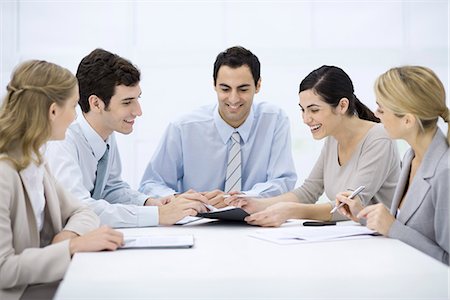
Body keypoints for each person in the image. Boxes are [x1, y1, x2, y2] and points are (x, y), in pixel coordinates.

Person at [0, 60, 124, 300]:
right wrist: (73, 246)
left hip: (40, 283)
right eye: (73, 105)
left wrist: (67, 237)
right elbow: (4, 270)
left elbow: (84, 212)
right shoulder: (5, 174)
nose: (75, 116)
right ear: (53, 111)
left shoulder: (34, 161)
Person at [46, 49, 207, 228]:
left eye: (137, 99)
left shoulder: (106, 133)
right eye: (127, 102)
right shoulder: (62, 141)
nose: (138, 111)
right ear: (96, 103)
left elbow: (110, 189)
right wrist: (157, 215)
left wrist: (151, 203)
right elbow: (79, 209)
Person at [227, 65, 400, 226]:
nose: (306, 119)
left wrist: (291, 211)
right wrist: (256, 203)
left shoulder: (379, 139)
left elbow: (350, 206)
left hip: (381, 243)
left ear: (342, 105)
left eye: (314, 110)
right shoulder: (333, 138)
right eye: (303, 110)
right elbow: (308, 192)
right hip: (352, 239)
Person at [139, 46, 297, 208]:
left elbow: (283, 181)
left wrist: (239, 199)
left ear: (258, 86)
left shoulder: (274, 120)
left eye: (243, 89)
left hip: (255, 220)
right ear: (214, 85)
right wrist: (179, 199)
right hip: (197, 221)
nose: (233, 99)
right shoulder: (183, 128)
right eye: (225, 89)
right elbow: (151, 184)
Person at [336, 66, 449, 265]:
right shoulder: (410, 157)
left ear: (407, 120)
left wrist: (392, 228)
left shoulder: (445, 172)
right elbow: (407, 227)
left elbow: (447, 259)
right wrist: (362, 214)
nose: (376, 114)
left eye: (381, 108)